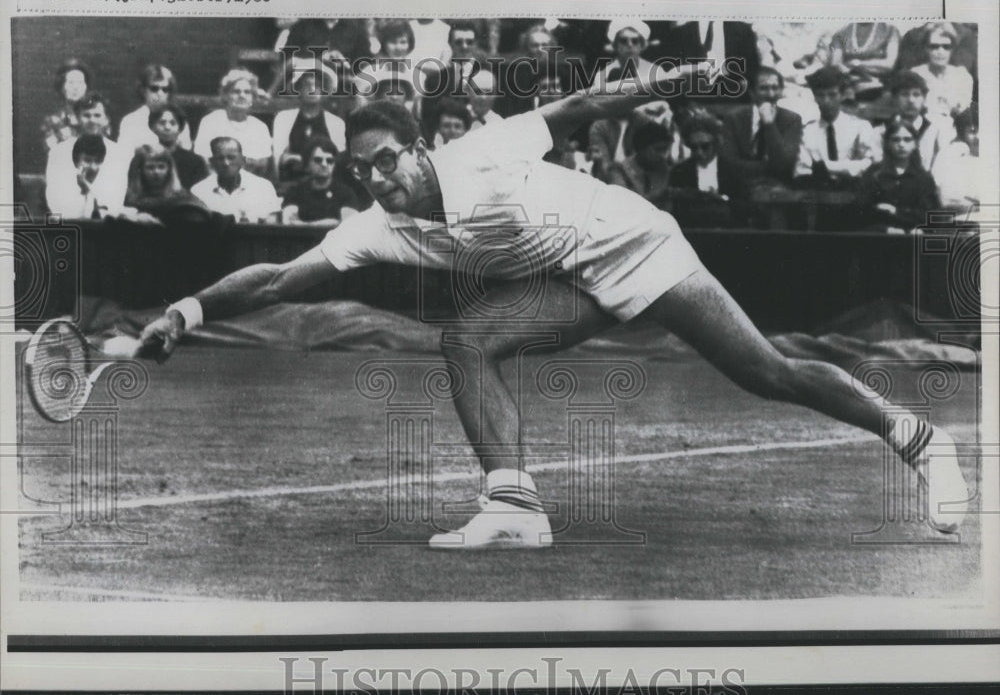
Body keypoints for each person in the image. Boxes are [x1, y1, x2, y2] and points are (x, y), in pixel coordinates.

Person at [140, 61, 969, 549]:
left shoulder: (482, 154)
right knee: (466, 338)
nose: (378, 179)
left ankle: (922, 440)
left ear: (417, 149)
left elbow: (582, 108)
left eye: (387, 161)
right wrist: (184, 312)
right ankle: (513, 505)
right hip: (569, 283)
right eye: (365, 172)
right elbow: (281, 278)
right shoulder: (375, 225)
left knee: (768, 372)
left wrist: (678, 80)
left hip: (635, 243)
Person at [718, 66, 803, 194]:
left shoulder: (792, 120)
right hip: (741, 190)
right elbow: (729, 163)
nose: (771, 94)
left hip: (778, 193)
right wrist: (769, 167)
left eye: (775, 88)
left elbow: (783, 165)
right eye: (764, 88)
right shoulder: (734, 118)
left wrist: (769, 124)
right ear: (752, 92)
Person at [45, 93, 130, 216]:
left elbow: (116, 197)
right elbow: (55, 199)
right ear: (77, 119)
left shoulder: (119, 154)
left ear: (106, 119)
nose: (92, 120)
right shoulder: (58, 153)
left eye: (97, 115)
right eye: (86, 115)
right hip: (69, 224)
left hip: (106, 225)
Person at [795, 66, 879, 187]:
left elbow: (870, 164)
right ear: (814, 97)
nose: (826, 101)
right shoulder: (806, 132)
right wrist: (848, 168)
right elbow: (803, 170)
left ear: (842, 95)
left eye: (832, 94)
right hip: (818, 195)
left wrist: (825, 166)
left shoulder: (860, 127)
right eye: (820, 95)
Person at [857, 117, 940, 231]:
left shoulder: (923, 178)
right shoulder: (874, 174)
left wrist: (896, 212)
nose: (901, 144)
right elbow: (862, 213)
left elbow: (932, 216)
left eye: (907, 140)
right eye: (895, 140)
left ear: (915, 144)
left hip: (913, 239)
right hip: (880, 239)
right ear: (887, 143)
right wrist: (885, 230)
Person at [193, 69, 274, 179]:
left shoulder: (260, 127)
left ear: (253, 97)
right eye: (236, 91)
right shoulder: (211, 121)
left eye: (247, 92)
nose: (242, 95)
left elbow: (262, 166)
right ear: (225, 95)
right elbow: (204, 161)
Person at [272, 68, 346, 182]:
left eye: (317, 86)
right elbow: (278, 157)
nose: (312, 89)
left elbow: (339, 159)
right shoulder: (284, 118)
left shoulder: (336, 123)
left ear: (323, 90)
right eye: (307, 85)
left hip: (325, 182)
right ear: (299, 89)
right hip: (292, 181)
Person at [191, 136, 281, 223]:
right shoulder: (199, 191)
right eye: (220, 158)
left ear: (243, 160)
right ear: (212, 162)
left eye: (231, 157)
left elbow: (273, 225)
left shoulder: (263, 187)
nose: (226, 163)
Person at [281, 136, 364, 226]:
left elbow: (348, 225)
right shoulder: (294, 192)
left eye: (329, 160)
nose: (324, 164)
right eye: (318, 160)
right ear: (307, 163)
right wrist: (333, 222)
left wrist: (304, 224)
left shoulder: (346, 193)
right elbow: (289, 223)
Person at [910, 23, 975, 137]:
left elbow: (960, 111)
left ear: (952, 49)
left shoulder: (962, 76)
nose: (940, 51)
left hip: (954, 132)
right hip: (920, 130)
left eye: (946, 47)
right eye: (934, 46)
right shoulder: (915, 74)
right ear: (926, 48)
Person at [880, 71, 950, 173]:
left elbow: (941, 168)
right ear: (894, 98)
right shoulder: (882, 130)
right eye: (904, 94)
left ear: (924, 99)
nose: (911, 100)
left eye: (916, 95)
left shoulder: (934, 131)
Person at [46, 133, 129, 219]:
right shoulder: (62, 178)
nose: (93, 167)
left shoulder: (110, 176)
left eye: (98, 161)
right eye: (87, 160)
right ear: (76, 162)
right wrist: (83, 192)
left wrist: (89, 190)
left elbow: (112, 210)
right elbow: (62, 213)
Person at [122, 145, 209, 225]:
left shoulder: (182, 199)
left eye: (161, 167)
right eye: (150, 167)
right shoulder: (132, 200)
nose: (156, 172)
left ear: (169, 169)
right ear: (139, 171)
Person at [117, 64, 193, 155]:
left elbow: (186, 154)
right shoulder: (130, 121)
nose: (160, 93)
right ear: (143, 90)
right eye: (154, 88)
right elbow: (124, 156)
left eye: (165, 89)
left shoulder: (178, 121)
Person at [41, 58, 100, 153]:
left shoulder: (96, 117)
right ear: (62, 87)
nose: (76, 88)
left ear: (86, 87)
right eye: (71, 83)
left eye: (80, 82)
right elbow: (52, 152)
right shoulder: (53, 121)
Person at [148, 104, 209, 190]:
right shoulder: (145, 158)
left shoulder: (195, 161)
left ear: (180, 128)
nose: (167, 127)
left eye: (173, 123)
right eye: (162, 123)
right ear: (153, 127)